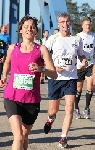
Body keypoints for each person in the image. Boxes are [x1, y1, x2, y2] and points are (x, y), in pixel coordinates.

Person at [0, 16, 57, 150]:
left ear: (36, 31)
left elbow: (54, 73)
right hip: (12, 96)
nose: (29, 29)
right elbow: (7, 62)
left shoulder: (41, 50)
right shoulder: (13, 48)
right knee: (18, 136)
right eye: (25, 27)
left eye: (32, 27)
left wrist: (41, 69)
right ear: (20, 30)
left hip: (31, 99)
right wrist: (3, 77)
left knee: (24, 136)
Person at [44, 13, 87, 148]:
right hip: (55, 78)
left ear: (70, 23)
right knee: (53, 110)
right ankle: (50, 119)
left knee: (69, 108)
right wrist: (53, 67)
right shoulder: (53, 39)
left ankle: (63, 137)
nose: (65, 24)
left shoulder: (77, 39)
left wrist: (83, 60)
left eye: (67, 21)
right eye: (62, 22)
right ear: (58, 24)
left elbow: (81, 55)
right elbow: (43, 56)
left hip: (71, 78)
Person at [75, 17, 95, 119]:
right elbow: (74, 51)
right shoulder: (78, 37)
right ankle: (76, 107)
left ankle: (87, 108)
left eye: (89, 24)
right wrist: (80, 61)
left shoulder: (93, 36)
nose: (88, 26)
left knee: (90, 87)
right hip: (80, 66)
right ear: (82, 26)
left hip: (90, 65)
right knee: (79, 88)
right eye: (86, 24)